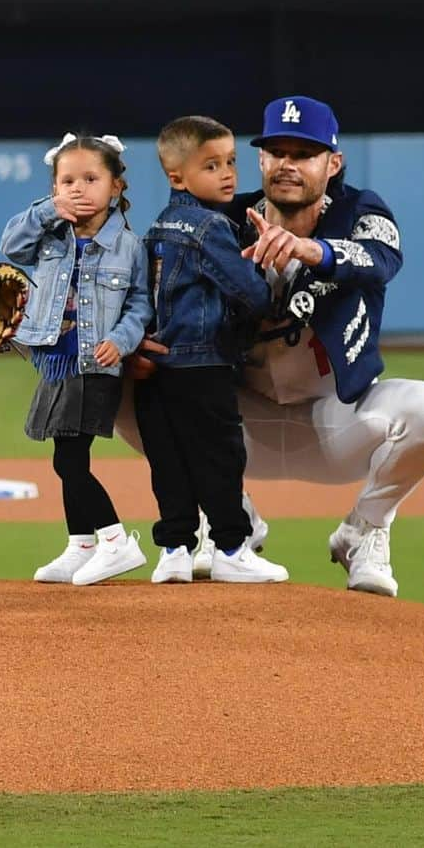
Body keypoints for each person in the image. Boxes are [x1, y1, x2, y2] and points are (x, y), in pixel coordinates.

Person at [214, 95, 424, 596]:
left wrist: (315, 250)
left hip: (337, 422)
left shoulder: (361, 212)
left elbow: (382, 257)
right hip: (238, 429)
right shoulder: (226, 223)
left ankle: (363, 531)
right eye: (276, 151)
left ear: (333, 163)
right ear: (260, 160)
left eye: (303, 153)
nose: (287, 164)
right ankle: (228, 517)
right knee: (132, 380)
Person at [134, 116, 290, 584]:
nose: (227, 174)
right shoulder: (210, 227)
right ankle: (229, 548)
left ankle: (176, 550)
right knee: (219, 460)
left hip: (157, 366)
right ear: (176, 176)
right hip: (203, 365)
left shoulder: (159, 225)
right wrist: (264, 264)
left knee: (170, 461)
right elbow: (255, 296)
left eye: (231, 162)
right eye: (212, 165)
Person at [0, 133, 153, 585]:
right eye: (67, 181)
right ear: (53, 190)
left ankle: (114, 542)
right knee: (66, 455)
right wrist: (48, 212)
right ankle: (80, 544)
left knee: (69, 459)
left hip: (93, 364)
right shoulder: (49, 233)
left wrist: (122, 341)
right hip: (54, 359)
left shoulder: (129, 246)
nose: (78, 188)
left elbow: (140, 305)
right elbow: (11, 245)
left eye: (91, 178)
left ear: (116, 187)